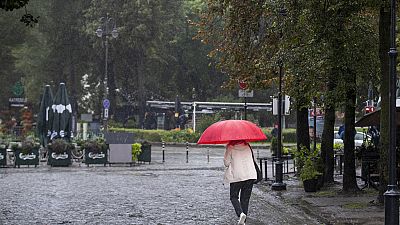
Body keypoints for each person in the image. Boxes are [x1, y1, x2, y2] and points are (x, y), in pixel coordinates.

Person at [224, 140, 257, 225]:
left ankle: (240, 213)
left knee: (233, 197)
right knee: (245, 200)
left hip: (237, 176)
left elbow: (226, 163)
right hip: (250, 175)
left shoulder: (230, 147)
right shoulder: (247, 146)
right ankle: (243, 221)